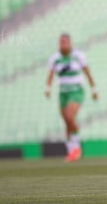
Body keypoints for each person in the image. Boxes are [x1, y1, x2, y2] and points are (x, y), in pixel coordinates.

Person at [45, 34, 98, 162]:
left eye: (65, 42)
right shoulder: (55, 58)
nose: (63, 44)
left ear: (70, 43)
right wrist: (48, 88)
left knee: (70, 117)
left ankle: (77, 147)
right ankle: (71, 151)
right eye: (61, 42)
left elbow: (87, 72)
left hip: (76, 91)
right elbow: (51, 74)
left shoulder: (78, 56)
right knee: (67, 122)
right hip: (63, 93)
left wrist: (94, 89)